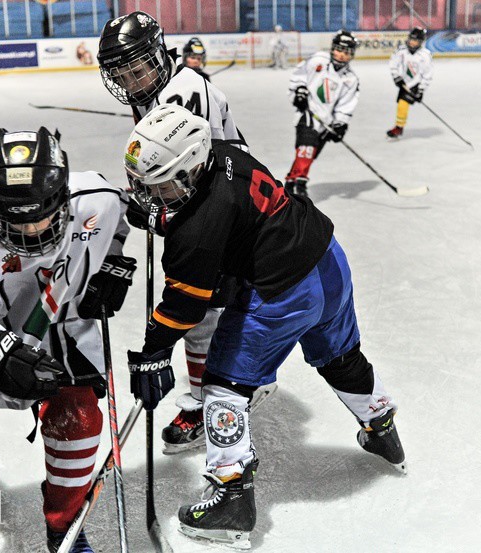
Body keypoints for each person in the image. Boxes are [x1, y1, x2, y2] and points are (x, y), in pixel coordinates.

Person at [123, 104, 406, 549]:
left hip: (282, 293)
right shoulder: (224, 151)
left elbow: (184, 305)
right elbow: (228, 217)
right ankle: (382, 428)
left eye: (159, 186)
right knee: (341, 357)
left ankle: (231, 499)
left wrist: (152, 352)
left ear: (190, 168)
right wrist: (162, 214)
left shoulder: (195, 227)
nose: (151, 194)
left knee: (222, 386)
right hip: (327, 260)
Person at [0, 128, 135, 553]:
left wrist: (112, 264)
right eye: (15, 217)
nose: (32, 229)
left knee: (79, 418)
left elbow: (118, 220)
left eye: (43, 212)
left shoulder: (97, 196)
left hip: (65, 320)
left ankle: (65, 526)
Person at [97, 11, 275, 455]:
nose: (132, 81)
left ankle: (209, 401)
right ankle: (225, 385)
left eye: (137, 69)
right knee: (207, 315)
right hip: (205, 203)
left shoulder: (185, 91)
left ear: (159, 55)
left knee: (202, 314)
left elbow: (196, 170)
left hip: (223, 211)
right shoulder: (157, 90)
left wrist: (156, 209)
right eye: (121, 74)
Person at [284, 30, 360, 198]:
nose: (341, 55)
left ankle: (290, 182)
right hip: (308, 115)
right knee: (306, 149)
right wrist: (299, 91)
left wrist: (341, 123)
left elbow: (346, 105)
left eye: (347, 52)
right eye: (339, 50)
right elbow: (299, 74)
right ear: (332, 48)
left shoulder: (351, 79)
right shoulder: (318, 60)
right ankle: (299, 183)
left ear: (352, 54)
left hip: (326, 121)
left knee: (310, 154)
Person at [386, 27, 433, 139]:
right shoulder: (401, 51)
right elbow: (393, 64)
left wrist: (421, 90)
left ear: (420, 42)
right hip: (404, 82)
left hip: (415, 84)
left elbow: (427, 74)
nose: (412, 42)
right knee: (402, 104)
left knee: (403, 104)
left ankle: (399, 127)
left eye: (415, 40)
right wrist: (397, 78)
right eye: (411, 39)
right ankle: (399, 127)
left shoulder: (425, 55)